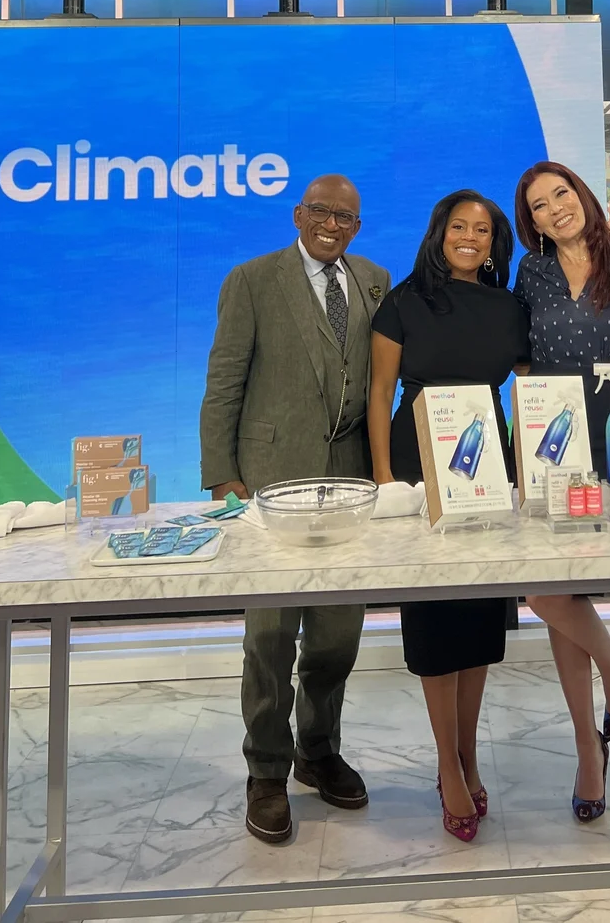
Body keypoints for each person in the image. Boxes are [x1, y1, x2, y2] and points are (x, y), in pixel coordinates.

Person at [200, 174, 390, 845]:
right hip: (269, 484)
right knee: (271, 637)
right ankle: (266, 772)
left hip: (350, 486)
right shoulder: (252, 280)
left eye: (347, 217)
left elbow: (380, 380)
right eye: (321, 212)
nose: (333, 224)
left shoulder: (374, 280)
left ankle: (317, 750)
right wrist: (223, 476)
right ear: (297, 214)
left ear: (358, 227)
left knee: (338, 634)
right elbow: (224, 382)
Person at [368, 190, 529, 843]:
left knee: (480, 617)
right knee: (436, 618)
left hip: (488, 464)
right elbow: (380, 392)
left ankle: (467, 752)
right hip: (417, 465)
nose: (469, 236)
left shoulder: (509, 308)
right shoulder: (404, 301)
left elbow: (533, 387)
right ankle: (446, 763)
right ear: (439, 234)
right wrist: (383, 478)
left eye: (481, 229)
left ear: (494, 242)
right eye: (458, 226)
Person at [513, 161, 610, 822]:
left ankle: (593, 742)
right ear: (532, 222)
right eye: (539, 206)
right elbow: (522, 359)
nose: (554, 209)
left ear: (582, 195)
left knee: (567, 591)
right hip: (549, 443)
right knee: (548, 590)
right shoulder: (531, 273)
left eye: (561, 194)